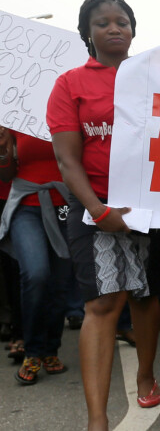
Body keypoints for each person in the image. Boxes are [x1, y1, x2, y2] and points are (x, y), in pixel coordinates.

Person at [47, 0, 160, 430]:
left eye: (123, 22)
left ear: (134, 30)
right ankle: (96, 418)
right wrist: (99, 211)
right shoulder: (70, 84)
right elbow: (67, 160)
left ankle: (147, 373)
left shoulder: (158, 75)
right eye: (103, 23)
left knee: (147, 294)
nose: (114, 29)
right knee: (102, 303)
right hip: (94, 206)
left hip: (154, 205)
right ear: (88, 34)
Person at [0, 127, 73, 383]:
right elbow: (7, 174)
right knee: (36, 273)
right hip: (26, 207)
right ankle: (32, 351)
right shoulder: (16, 114)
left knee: (60, 282)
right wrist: (2, 151)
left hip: (64, 207)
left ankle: (50, 349)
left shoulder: (67, 112)